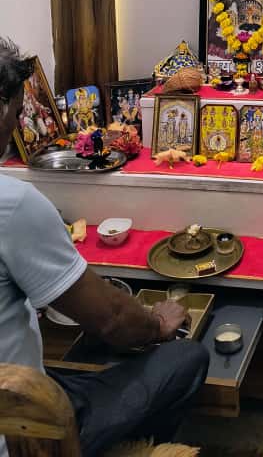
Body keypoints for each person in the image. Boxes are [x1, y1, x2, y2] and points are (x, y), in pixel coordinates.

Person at [0, 38, 209, 457]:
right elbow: (112, 320)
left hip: (22, 384)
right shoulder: (13, 204)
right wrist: (158, 324)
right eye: (19, 111)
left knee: (78, 375)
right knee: (185, 359)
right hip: (22, 432)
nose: (20, 123)